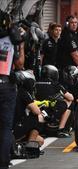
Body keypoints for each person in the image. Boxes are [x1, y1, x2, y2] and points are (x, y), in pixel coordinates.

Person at [0, 10, 24, 169]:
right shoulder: (11, 39)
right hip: (5, 84)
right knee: (5, 127)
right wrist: (22, 45)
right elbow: (20, 65)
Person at [35, 65, 74, 137]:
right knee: (69, 102)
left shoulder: (35, 83)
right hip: (49, 110)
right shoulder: (55, 84)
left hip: (36, 109)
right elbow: (71, 98)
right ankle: (61, 129)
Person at [13, 70, 47, 147]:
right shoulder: (23, 92)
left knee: (40, 141)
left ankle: (21, 145)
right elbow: (36, 111)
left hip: (9, 126)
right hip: (16, 126)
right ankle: (30, 145)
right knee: (39, 116)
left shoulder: (12, 91)